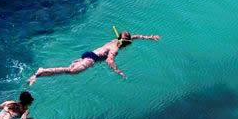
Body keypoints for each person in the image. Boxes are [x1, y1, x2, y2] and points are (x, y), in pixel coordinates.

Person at [28, 31, 160, 86]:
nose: (129, 43)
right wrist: (118, 71)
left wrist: (149, 37)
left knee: (71, 69)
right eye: (127, 42)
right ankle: (41, 71)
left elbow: (135, 36)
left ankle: (41, 74)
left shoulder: (116, 40)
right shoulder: (114, 48)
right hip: (92, 59)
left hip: (89, 54)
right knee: (71, 71)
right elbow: (109, 60)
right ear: (124, 42)